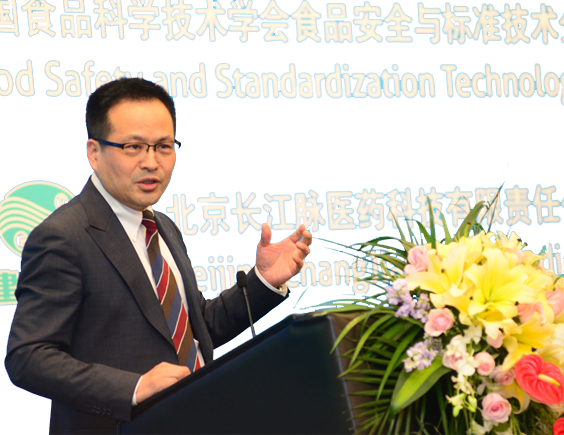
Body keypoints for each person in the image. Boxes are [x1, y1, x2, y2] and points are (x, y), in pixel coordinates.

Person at [5, 78, 312, 435]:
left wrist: (263, 282)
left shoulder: (161, 226)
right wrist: (133, 388)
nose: (151, 162)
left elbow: (196, 329)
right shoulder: (63, 236)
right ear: (94, 152)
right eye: (133, 147)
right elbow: (28, 357)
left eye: (164, 146)